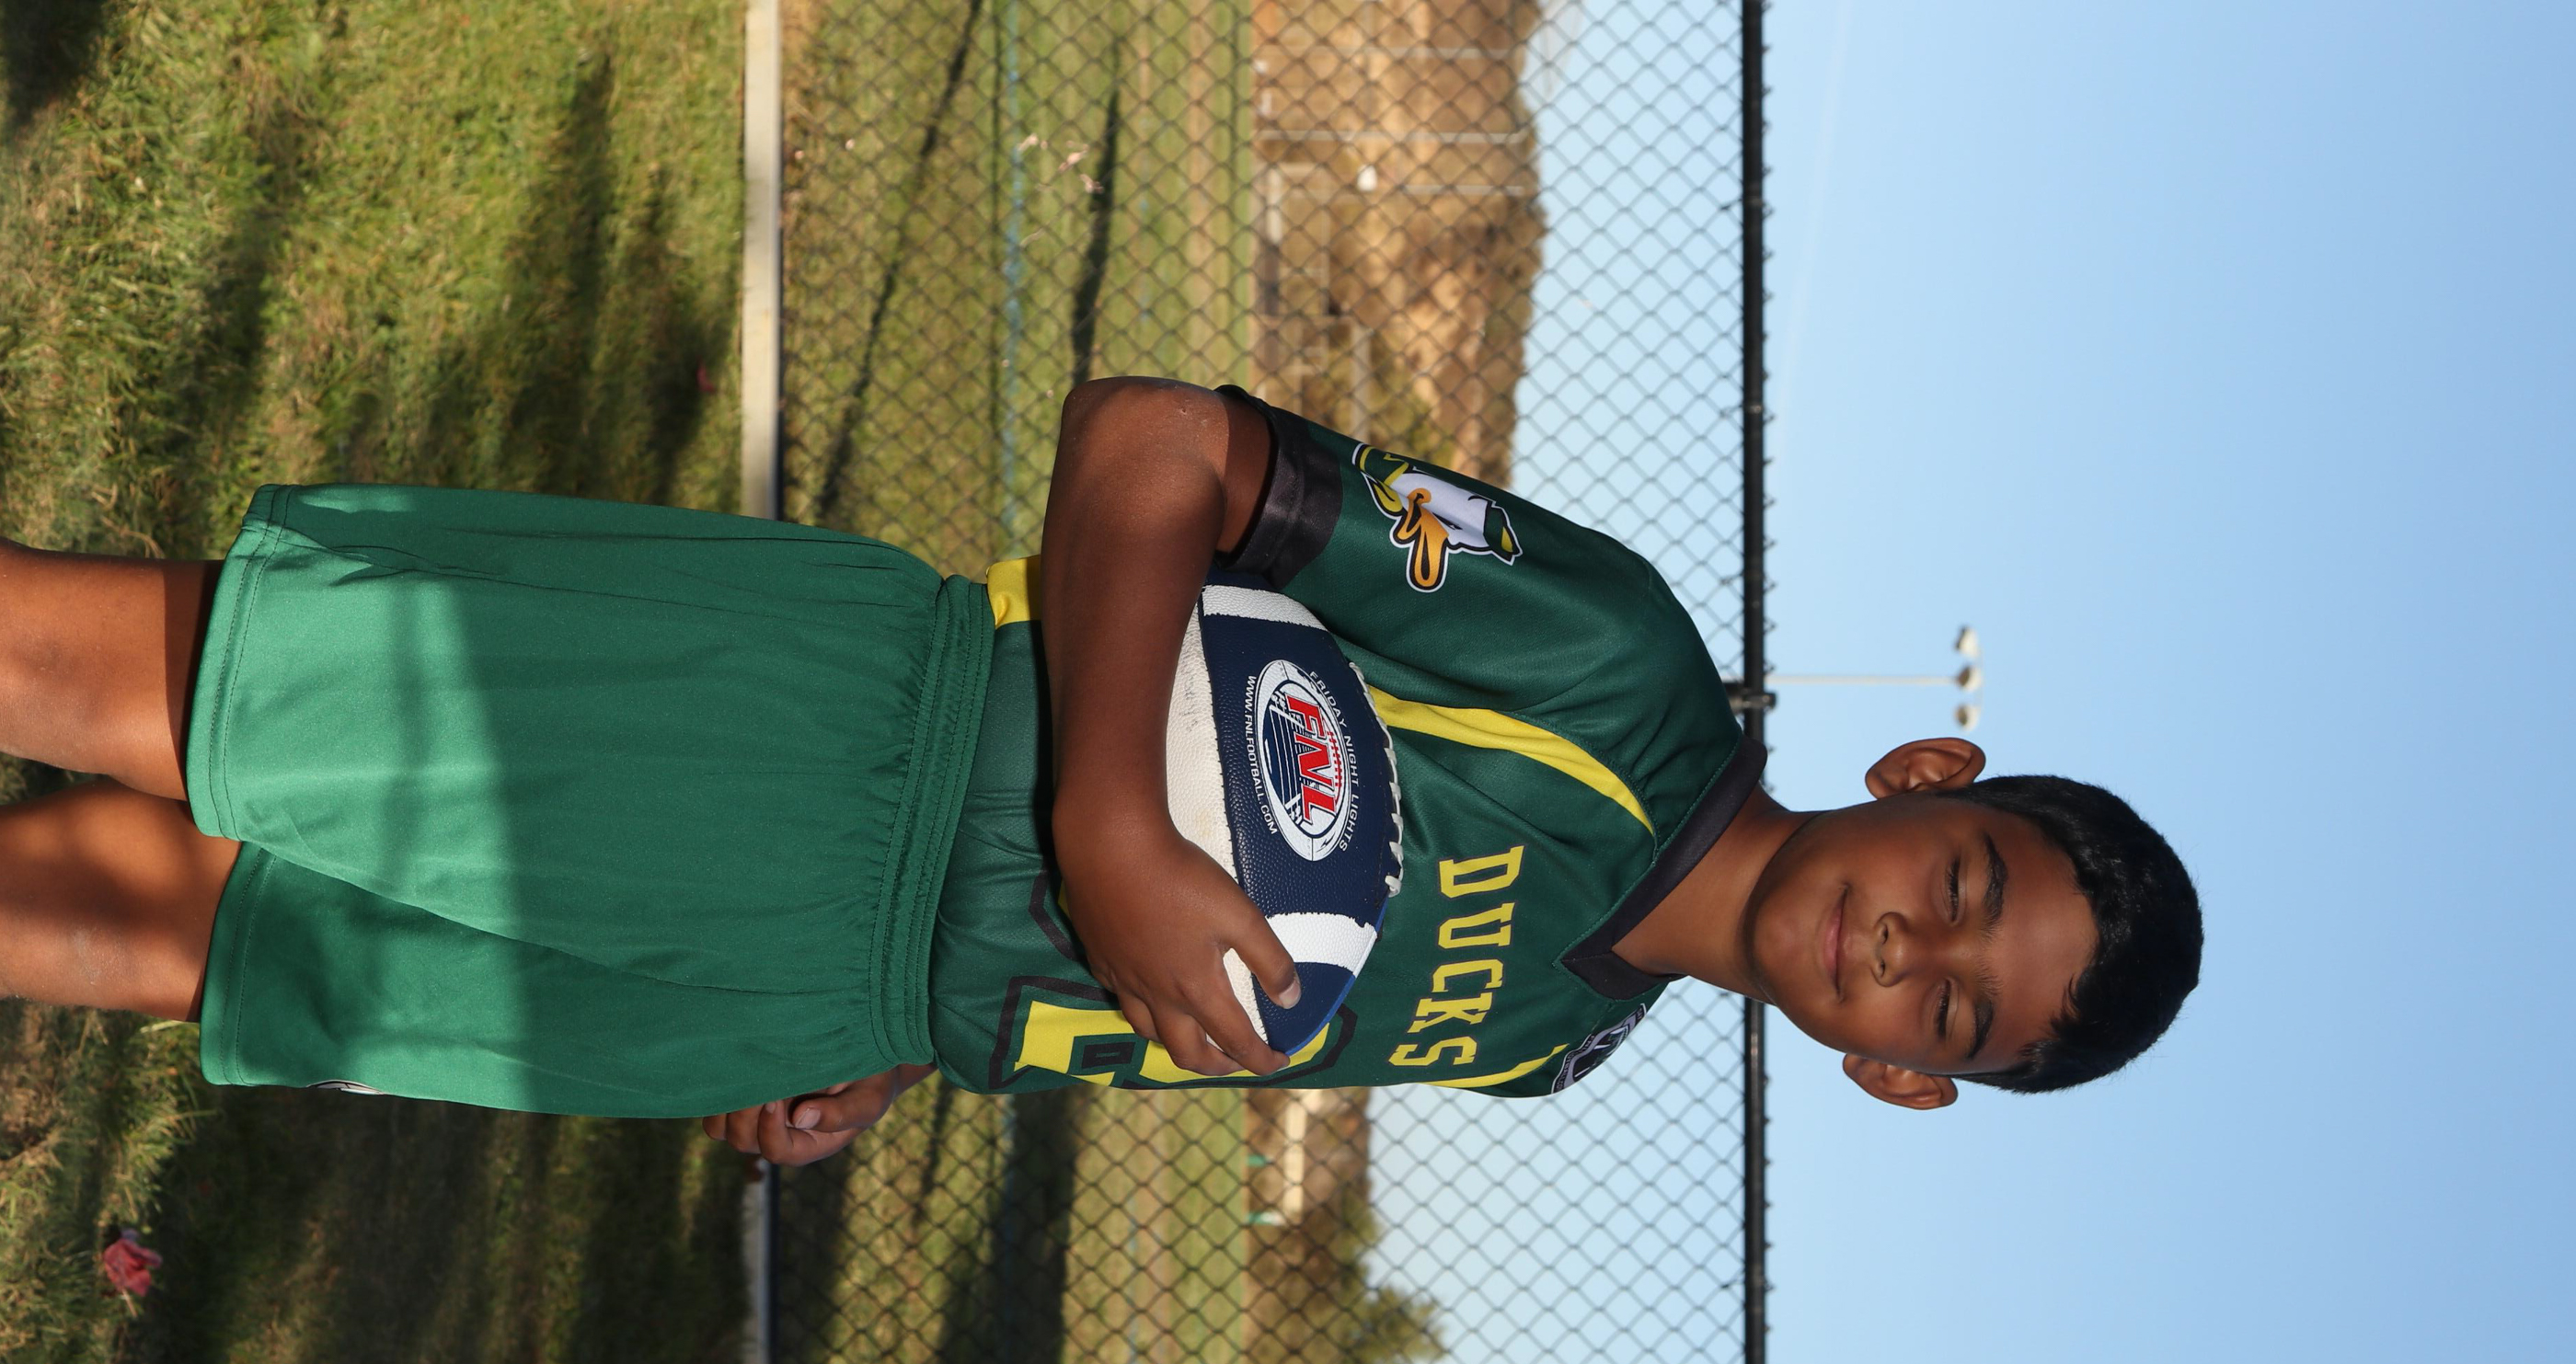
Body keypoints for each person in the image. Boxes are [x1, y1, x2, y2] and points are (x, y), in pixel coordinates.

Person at [0, 378, 2201, 1164]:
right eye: (1963, 885)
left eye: (1948, 1012)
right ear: (1929, 768)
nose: (1903, 951)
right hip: (845, 745)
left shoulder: (1550, 1047)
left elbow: (1167, 984)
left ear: (1896, 1078)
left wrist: (915, 1037)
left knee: (178, 935)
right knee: (141, 687)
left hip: (813, 995)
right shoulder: (1610, 662)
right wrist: (1099, 819)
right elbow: (1158, 444)